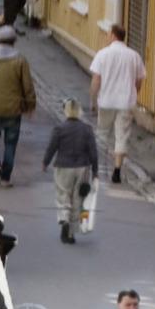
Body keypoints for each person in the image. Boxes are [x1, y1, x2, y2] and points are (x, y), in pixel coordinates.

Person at [0, 25, 38, 188]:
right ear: (14, 41)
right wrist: (30, 106)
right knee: (10, 143)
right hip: (13, 109)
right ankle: (5, 177)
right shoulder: (20, 60)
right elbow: (27, 86)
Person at [89, 22, 147, 183]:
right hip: (125, 102)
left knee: (102, 133)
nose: (107, 37)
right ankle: (116, 169)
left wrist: (93, 100)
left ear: (114, 35)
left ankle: (97, 168)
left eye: (108, 34)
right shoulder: (134, 56)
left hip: (106, 100)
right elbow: (139, 80)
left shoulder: (102, 54)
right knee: (122, 136)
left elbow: (96, 80)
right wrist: (134, 93)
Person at [46, 100, 101, 244]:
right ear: (79, 111)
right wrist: (95, 171)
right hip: (82, 167)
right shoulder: (87, 129)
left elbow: (52, 147)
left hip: (63, 166)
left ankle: (64, 218)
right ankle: (70, 233)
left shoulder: (59, 129)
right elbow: (93, 152)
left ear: (66, 111)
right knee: (78, 199)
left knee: (63, 194)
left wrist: (45, 162)